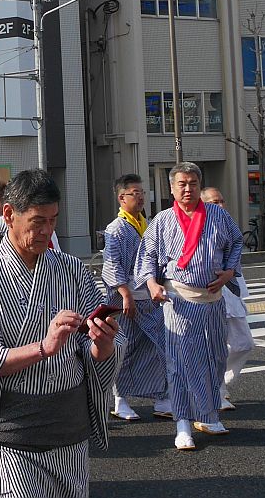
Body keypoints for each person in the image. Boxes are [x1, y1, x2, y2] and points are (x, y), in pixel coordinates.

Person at [0, 169, 122, 498]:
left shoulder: (72, 269)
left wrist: (103, 344)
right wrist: (43, 347)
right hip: (15, 436)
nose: (47, 230)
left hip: (70, 431)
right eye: (38, 220)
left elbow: (94, 349)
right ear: (9, 215)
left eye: (53, 220)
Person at [135, 162, 244, 450]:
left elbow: (235, 243)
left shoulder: (219, 215)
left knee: (215, 358)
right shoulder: (162, 221)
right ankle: (183, 423)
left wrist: (230, 271)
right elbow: (147, 257)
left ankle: (208, 416)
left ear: (199, 185)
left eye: (193, 183)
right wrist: (151, 284)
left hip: (213, 300)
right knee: (181, 363)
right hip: (178, 302)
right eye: (181, 183)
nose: (187, 188)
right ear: (171, 188)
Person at [102, 174, 169, 421]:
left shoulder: (146, 224)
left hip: (148, 297)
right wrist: (125, 294)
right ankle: (120, 399)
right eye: (134, 193)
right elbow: (111, 265)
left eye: (142, 192)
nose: (140, 197)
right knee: (124, 348)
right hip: (126, 299)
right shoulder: (116, 229)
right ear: (122, 198)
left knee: (157, 345)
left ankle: (162, 397)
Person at [201, 187, 255, 412]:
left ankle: (220, 380)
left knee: (244, 343)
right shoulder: (200, 227)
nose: (221, 205)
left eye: (222, 200)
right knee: (215, 345)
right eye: (215, 201)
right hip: (210, 291)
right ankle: (217, 389)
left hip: (232, 289)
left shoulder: (228, 225)